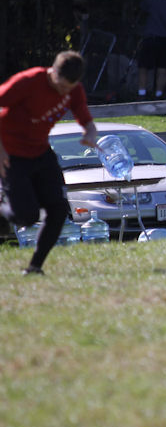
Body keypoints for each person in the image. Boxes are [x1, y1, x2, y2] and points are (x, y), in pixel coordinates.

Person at [0, 51, 99, 275]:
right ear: (53, 72)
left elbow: (87, 121)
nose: (64, 92)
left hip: (41, 153)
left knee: (58, 210)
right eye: (61, 86)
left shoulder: (74, 90)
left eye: (68, 88)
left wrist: (90, 134)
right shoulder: (28, 81)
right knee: (27, 217)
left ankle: (35, 266)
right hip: (12, 155)